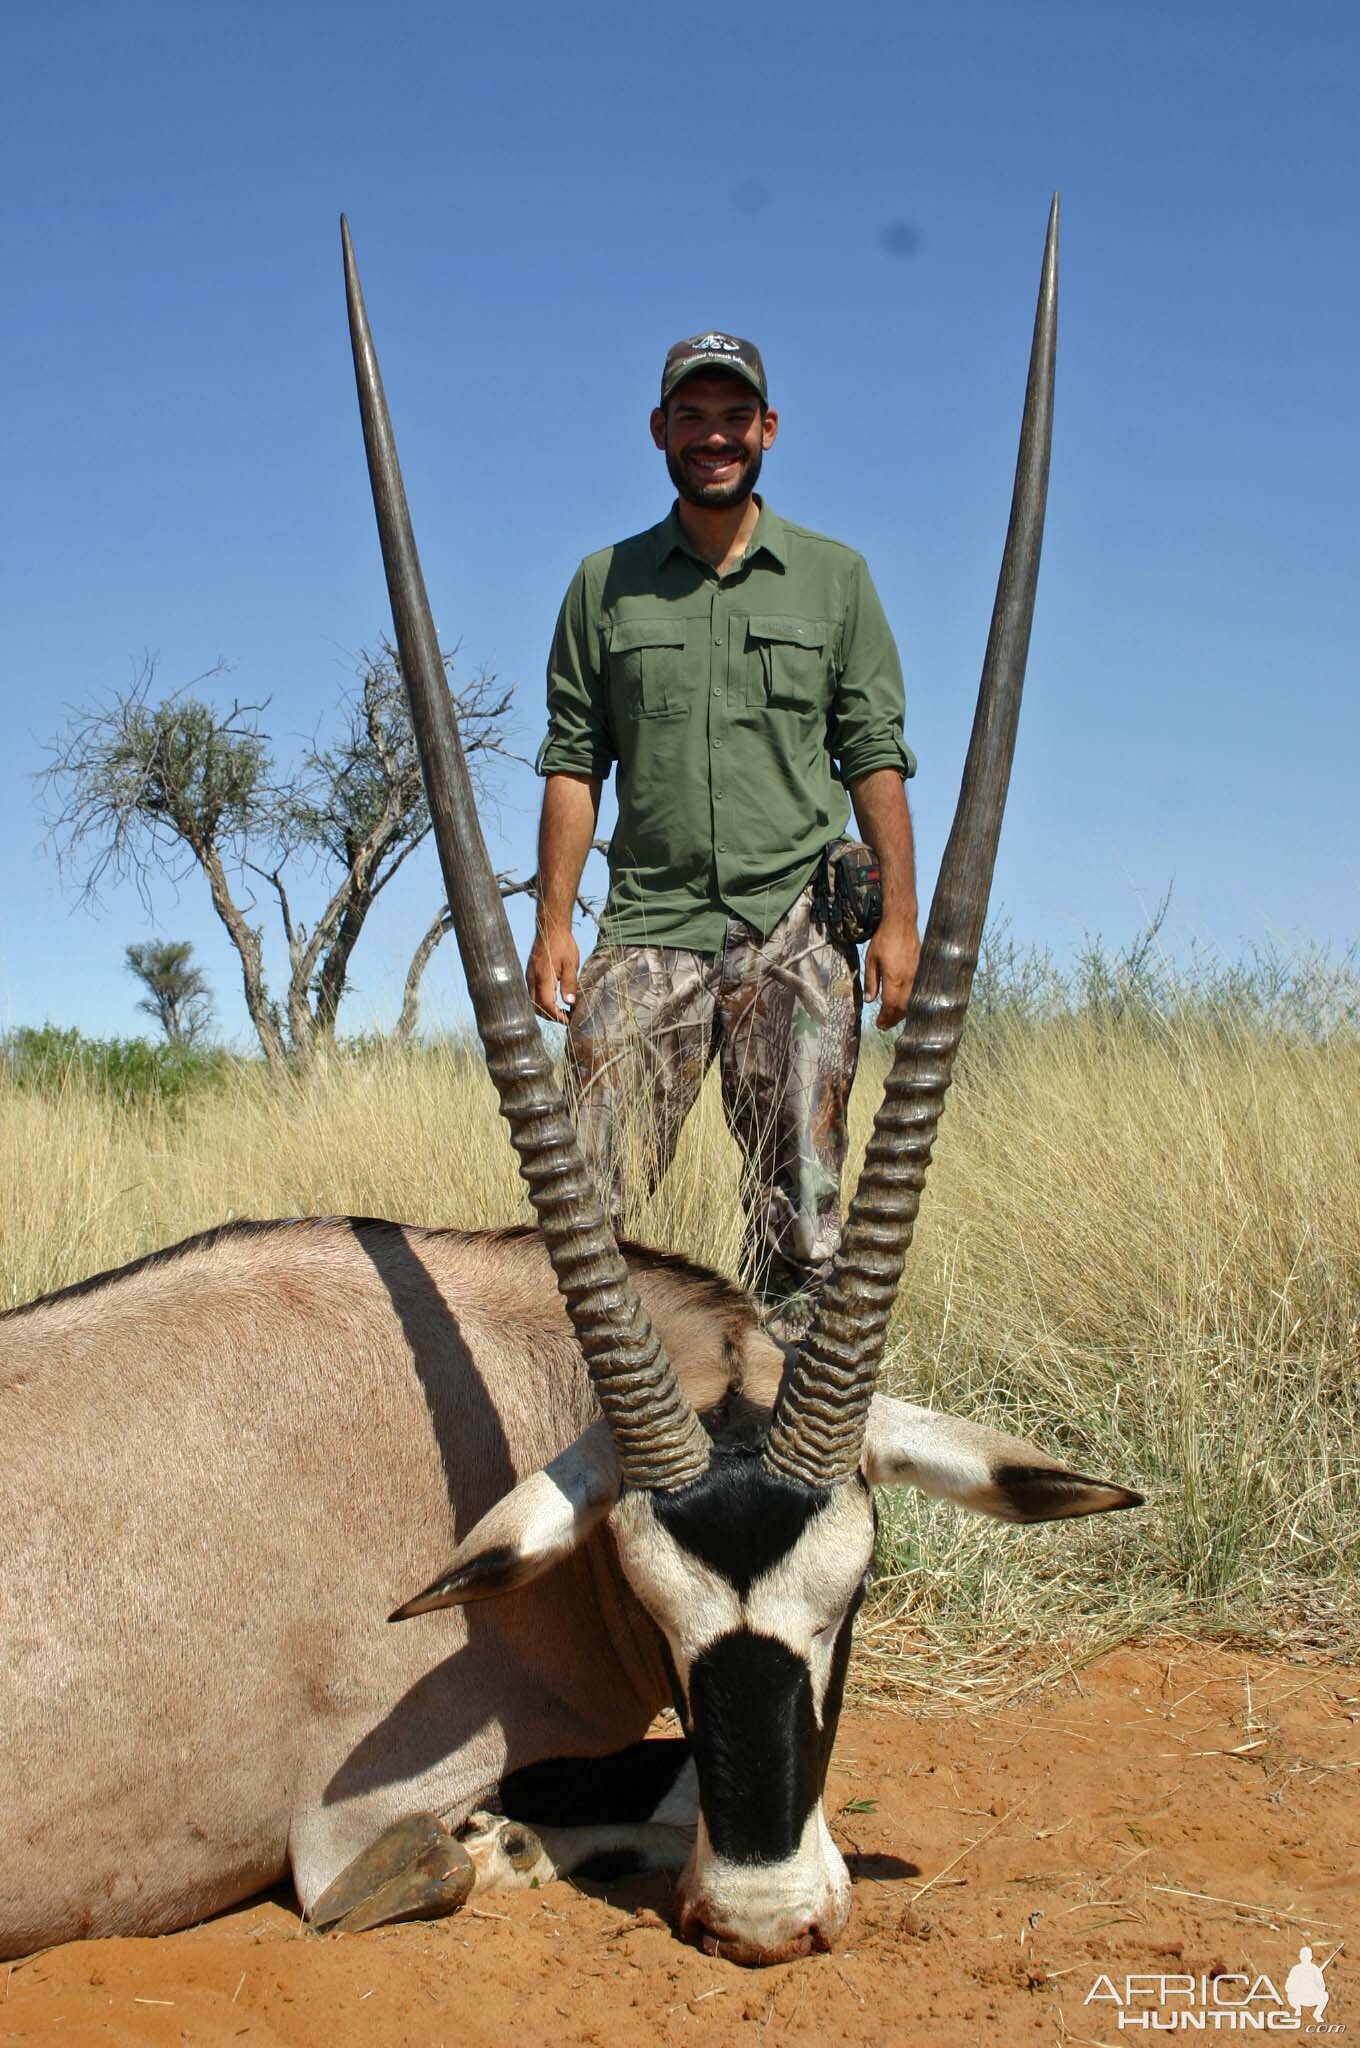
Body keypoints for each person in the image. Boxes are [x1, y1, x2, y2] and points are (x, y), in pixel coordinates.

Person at [527, 329, 920, 1337]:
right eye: (692, 417)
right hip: (649, 920)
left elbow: (873, 756)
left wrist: (901, 922)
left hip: (793, 920)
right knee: (584, 1206)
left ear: (768, 430)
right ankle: (590, 1411)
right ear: (659, 430)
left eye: (733, 418)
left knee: (807, 1215)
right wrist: (554, 923)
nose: (714, 437)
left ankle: (789, 1435)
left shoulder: (835, 579)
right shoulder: (600, 584)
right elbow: (575, 758)